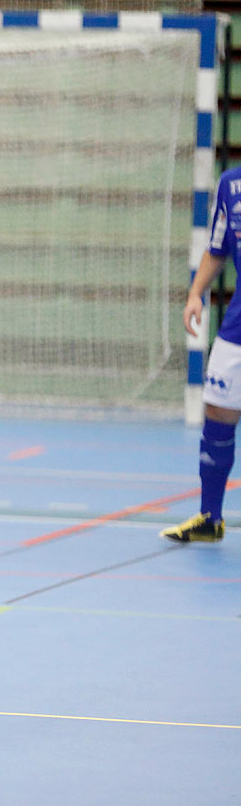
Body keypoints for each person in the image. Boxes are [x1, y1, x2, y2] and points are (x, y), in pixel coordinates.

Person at [163, 166, 241, 543]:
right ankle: (210, 518)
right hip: (237, 325)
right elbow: (218, 248)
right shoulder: (230, 184)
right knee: (217, 408)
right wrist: (196, 294)